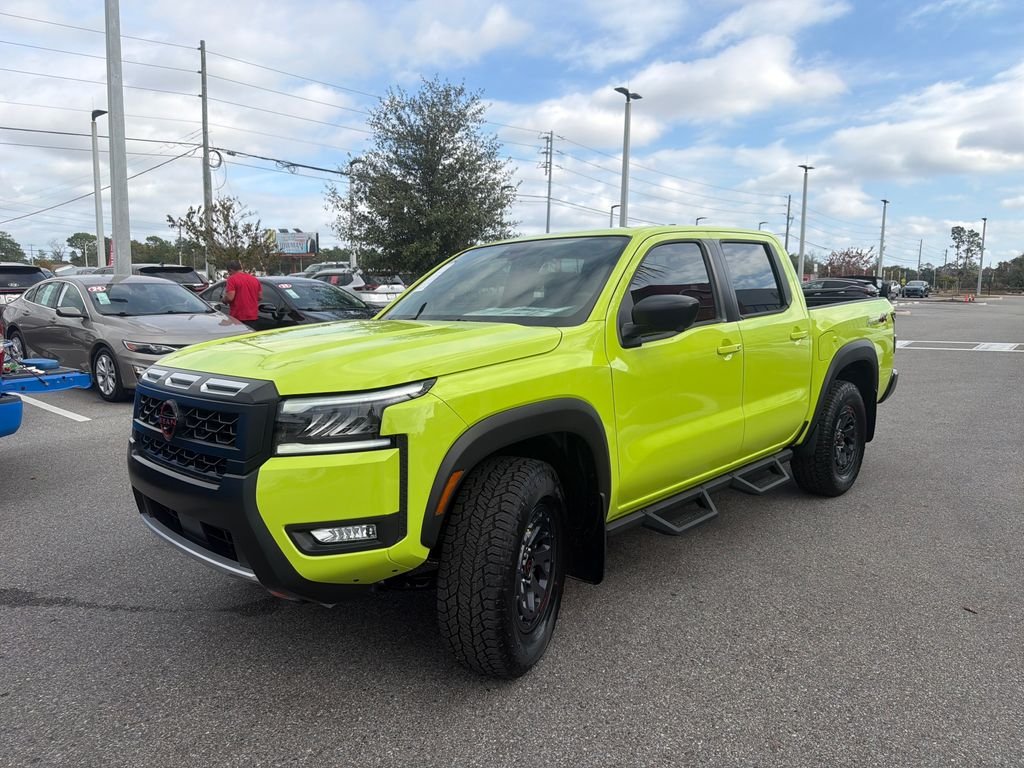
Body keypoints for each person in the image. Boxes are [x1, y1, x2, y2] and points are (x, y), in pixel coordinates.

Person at [223, 260, 262, 328]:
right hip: (253, 317)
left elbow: (230, 297)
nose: (229, 274)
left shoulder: (232, 279)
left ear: (231, 270)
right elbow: (260, 297)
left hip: (238, 317)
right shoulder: (254, 279)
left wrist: (224, 300)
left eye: (229, 272)